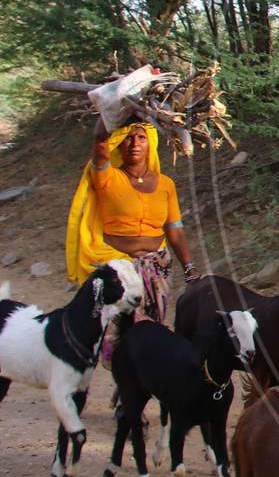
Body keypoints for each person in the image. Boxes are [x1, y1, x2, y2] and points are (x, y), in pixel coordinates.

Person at [66, 120, 197, 346]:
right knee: (118, 333)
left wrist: (189, 268)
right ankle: (124, 375)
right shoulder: (108, 177)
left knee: (150, 331)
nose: (134, 143)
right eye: (128, 137)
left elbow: (174, 230)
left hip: (157, 267)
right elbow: (99, 142)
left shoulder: (166, 185)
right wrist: (112, 109)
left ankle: (143, 377)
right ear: (118, 143)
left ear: (151, 144)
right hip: (119, 270)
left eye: (141, 138)